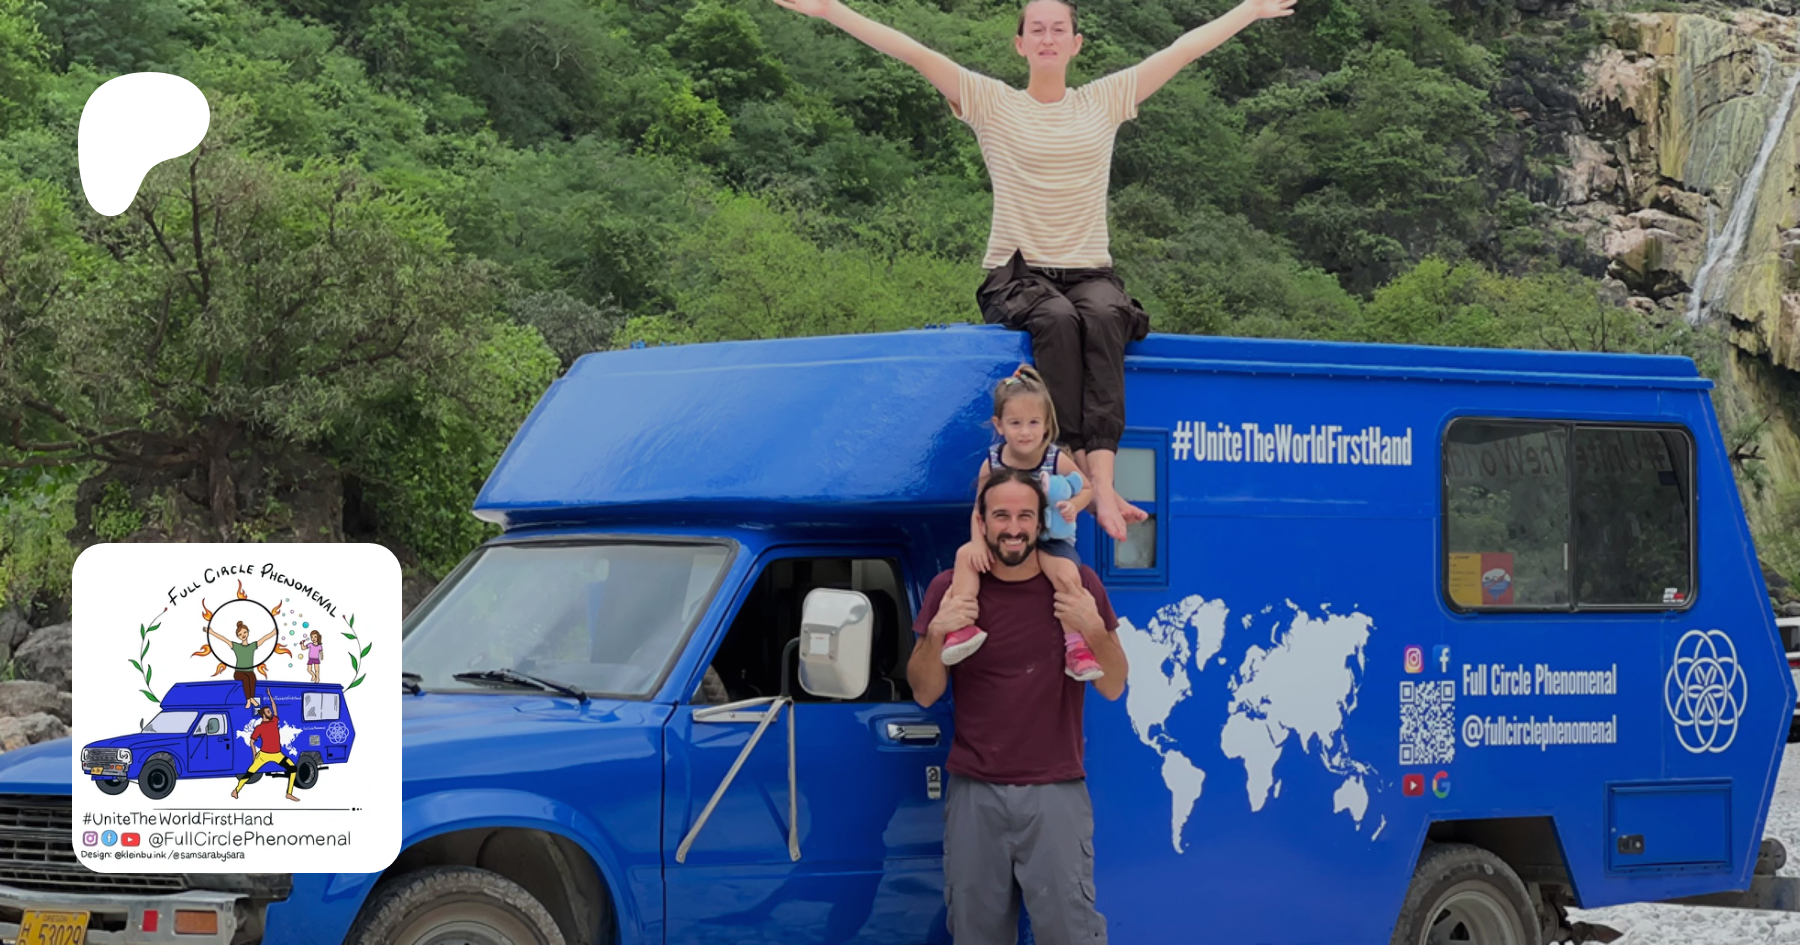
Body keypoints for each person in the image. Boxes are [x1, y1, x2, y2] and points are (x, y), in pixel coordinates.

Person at [771, 0, 1297, 542]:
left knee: (1105, 316)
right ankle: (1078, 474)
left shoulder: (1103, 99)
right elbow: (914, 53)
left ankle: (1103, 481)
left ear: (1076, 44)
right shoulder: (992, 102)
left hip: (1089, 269)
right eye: (1037, 30)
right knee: (1057, 319)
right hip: (1019, 272)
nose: (1048, 38)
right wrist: (831, 9)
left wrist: (1248, 10)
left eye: (1058, 29)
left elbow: (1181, 51)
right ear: (1020, 44)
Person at [907, 467, 1128, 945]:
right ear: (981, 522)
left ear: (1042, 521)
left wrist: (1091, 627)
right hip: (973, 792)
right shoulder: (949, 588)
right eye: (1001, 516)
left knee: (1070, 933)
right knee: (975, 934)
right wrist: (939, 632)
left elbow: (1113, 685)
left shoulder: (1078, 584)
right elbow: (924, 692)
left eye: (1025, 516)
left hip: (1056, 791)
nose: (1013, 528)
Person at [942, 364, 1099, 681]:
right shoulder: (993, 462)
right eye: (1015, 423)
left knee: (1067, 575)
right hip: (1007, 537)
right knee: (964, 557)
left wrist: (1074, 505)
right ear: (999, 425)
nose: (1025, 432)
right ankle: (962, 626)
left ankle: (1076, 648)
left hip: (1051, 539)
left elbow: (1086, 488)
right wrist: (977, 542)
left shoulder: (1055, 458)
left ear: (1046, 425)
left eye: (1033, 423)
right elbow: (979, 509)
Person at [232, 688, 300, 802]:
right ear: (263, 714)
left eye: (270, 711)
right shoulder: (259, 728)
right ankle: (236, 791)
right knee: (250, 773)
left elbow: (275, 708)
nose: (271, 713)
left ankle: (289, 793)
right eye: (268, 712)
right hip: (263, 755)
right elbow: (252, 741)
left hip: (277, 754)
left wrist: (270, 696)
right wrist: (254, 753)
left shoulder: (274, 721)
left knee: (293, 768)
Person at [207, 619, 276, 708]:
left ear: (248, 632)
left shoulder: (252, 646)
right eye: (240, 634)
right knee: (246, 679)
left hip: (250, 671)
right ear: (238, 636)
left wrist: (273, 632)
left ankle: (251, 698)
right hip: (239, 672)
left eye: (244, 632)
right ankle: (249, 700)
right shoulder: (236, 646)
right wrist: (211, 632)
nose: (243, 635)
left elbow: (264, 639)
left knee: (252, 678)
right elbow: (223, 639)